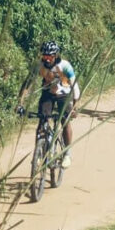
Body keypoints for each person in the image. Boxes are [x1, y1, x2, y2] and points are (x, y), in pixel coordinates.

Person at [15, 40, 80, 168]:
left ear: (56, 55)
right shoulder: (39, 65)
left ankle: (67, 153)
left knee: (65, 121)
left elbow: (75, 87)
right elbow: (27, 84)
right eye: (44, 56)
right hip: (48, 94)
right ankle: (38, 153)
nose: (47, 59)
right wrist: (20, 103)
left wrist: (75, 106)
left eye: (50, 56)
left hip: (64, 94)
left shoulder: (65, 66)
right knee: (42, 122)